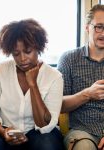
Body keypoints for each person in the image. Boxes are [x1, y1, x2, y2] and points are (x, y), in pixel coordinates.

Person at [0, 18, 64, 150]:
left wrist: (33, 85)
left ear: (38, 47)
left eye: (28, 51)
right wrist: (4, 132)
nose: (23, 59)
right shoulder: (0, 70)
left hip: (40, 133)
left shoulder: (54, 76)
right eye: (16, 54)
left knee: (47, 145)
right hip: (6, 130)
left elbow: (44, 125)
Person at [57, 4, 104, 150]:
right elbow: (58, 105)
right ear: (87, 27)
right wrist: (87, 94)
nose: (103, 33)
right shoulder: (69, 59)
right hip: (82, 132)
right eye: (99, 27)